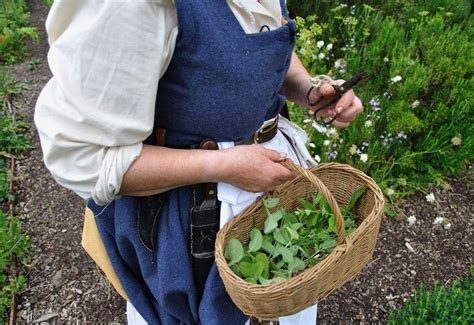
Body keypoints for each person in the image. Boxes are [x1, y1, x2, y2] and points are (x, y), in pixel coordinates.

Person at [35, 0, 363, 324]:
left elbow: (257, 37)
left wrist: (307, 89)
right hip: (192, 209)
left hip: (270, 174)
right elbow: (80, 156)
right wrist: (222, 166)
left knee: (289, 285)